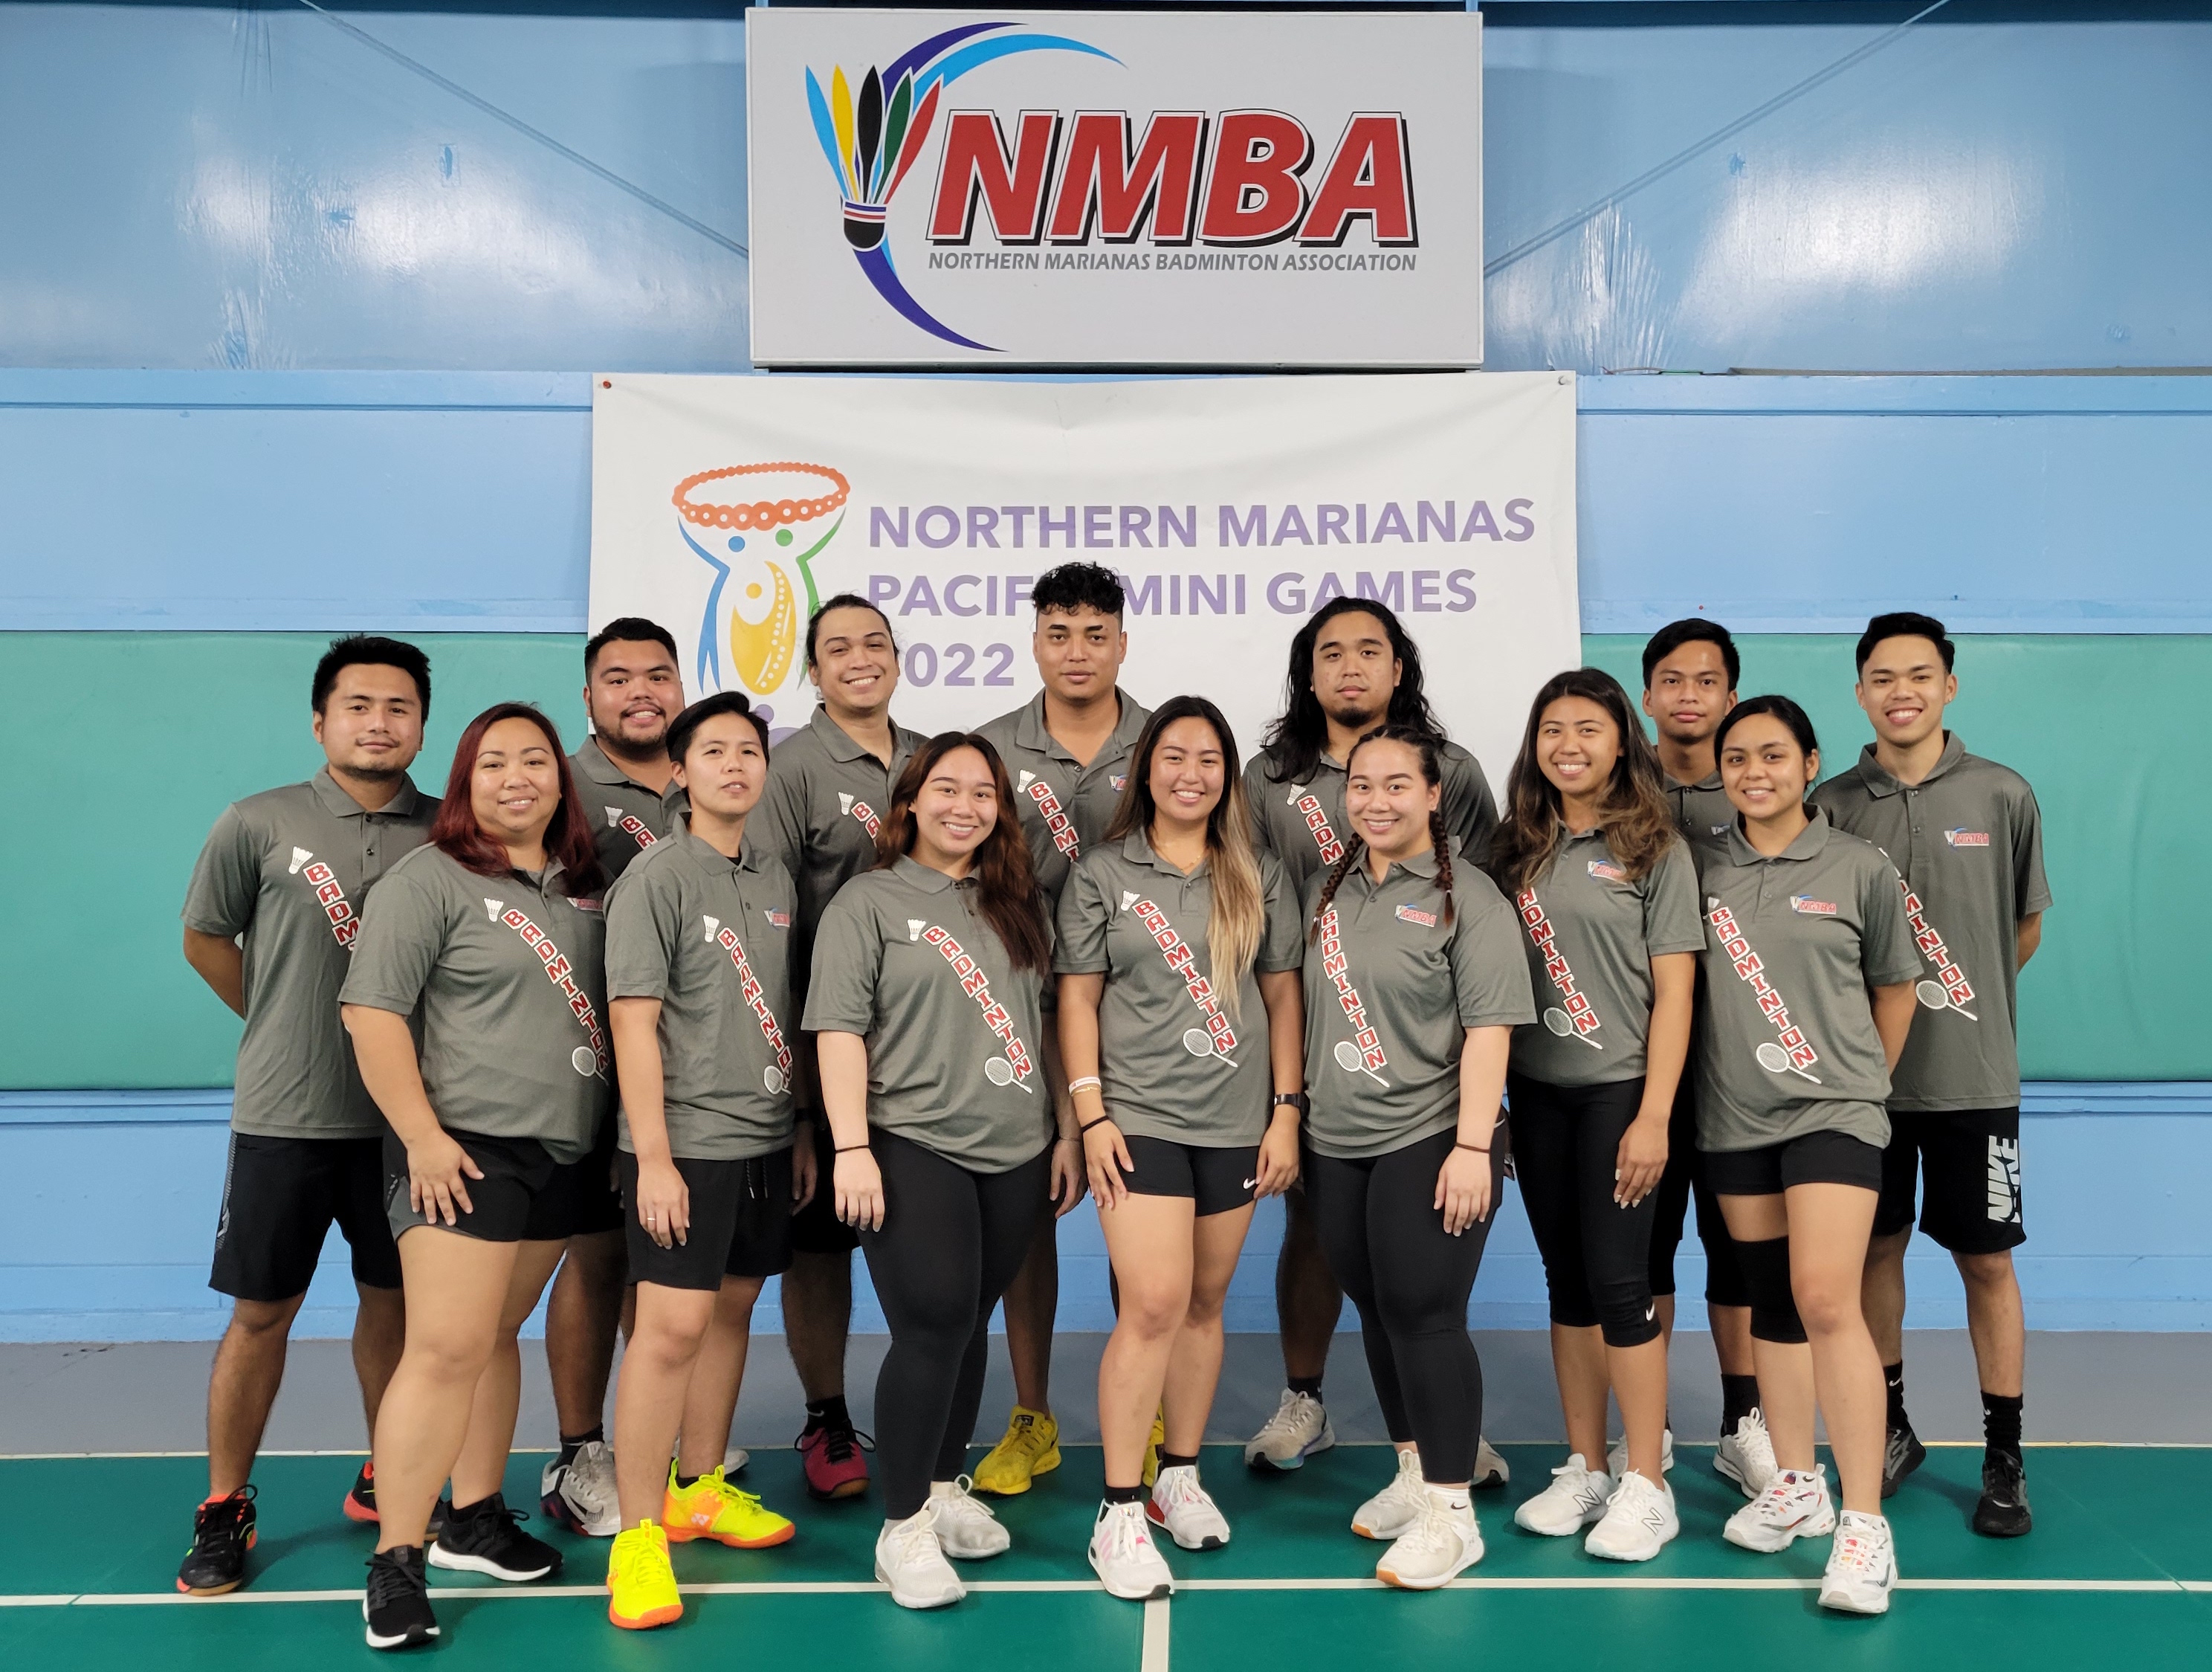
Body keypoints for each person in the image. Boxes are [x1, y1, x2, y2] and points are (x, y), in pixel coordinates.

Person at [340, 703, 612, 1650]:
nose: (516, 777)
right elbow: (372, 1013)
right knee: (446, 1347)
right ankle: (397, 1559)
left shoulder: (585, 886)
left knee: (497, 1333)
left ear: (560, 781)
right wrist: (421, 1136)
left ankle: (475, 1516)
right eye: (493, 762)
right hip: (463, 1147)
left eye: (535, 760)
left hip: (563, 1148)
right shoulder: (428, 878)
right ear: (465, 782)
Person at [175, 636, 437, 1595]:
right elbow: (206, 938)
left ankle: (388, 1470)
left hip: (407, 1127)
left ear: (422, 724)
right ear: (321, 720)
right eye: (358, 704)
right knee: (261, 1313)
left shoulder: (450, 829)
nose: (379, 722)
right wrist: (280, 1019)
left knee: (395, 1305)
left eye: (399, 706)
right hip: (286, 1114)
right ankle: (224, 1504)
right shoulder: (257, 820)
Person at [1240, 598, 1504, 1482]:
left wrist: (1475, 1128)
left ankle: (1443, 1438)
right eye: (1331, 652)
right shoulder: (1268, 778)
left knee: (1421, 1280)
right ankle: (1309, 1398)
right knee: (1315, 1232)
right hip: (1314, 1055)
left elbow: (1476, 910)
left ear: (1399, 666)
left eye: (1369, 650)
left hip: (1422, 1071)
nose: (1350, 666)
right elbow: (1248, 900)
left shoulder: (1453, 773)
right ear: (1308, 672)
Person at [803, 734, 1061, 1610]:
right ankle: (903, 1526)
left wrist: (1063, 1131)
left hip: (1016, 1146)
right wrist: (851, 1146)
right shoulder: (867, 901)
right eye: (946, 787)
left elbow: (1045, 1024)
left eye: (983, 792)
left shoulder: (1016, 902)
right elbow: (838, 1028)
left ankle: (944, 1487)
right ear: (910, 800)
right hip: (911, 1139)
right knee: (933, 1320)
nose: (964, 805)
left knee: (969, 1318)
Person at [1062, 697, 1307, 1601]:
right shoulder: (1102, 870)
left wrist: (1286, 1111)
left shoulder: (1256, 871)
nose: (1190, 773)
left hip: (1236, 1122)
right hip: (1138, 1117)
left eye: (1208, 758)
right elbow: (1078, 997)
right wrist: (1091, 1113)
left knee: (1205, 1302)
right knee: (1154, 1303)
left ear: (1227, 775)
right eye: (1173, 756)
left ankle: (1179, 1475)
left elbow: (1283, 995)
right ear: (1146, 769)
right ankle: (1119, 1510)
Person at [1814, 613, 2048, 1537]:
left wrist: (1962, 1003)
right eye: (1882, 676)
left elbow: (2021, 930)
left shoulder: (2003, 792)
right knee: (1874, 1251)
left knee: (1986, 1259)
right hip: (1861, 1085)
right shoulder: (1831, 803)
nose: (1900, 691)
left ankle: (2004, 1455)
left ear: (1950, 685)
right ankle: (1892, 1426)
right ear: (1860, 692)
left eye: (1919, 674)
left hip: (1974, 1080)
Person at [1696, 697, 1921, 1615]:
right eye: (1738, 758)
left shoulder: (1858, 866)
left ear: (1810, 762)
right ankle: (1798, 1482)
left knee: (1827, 1296)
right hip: (1734, 1117)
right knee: (1771, 1302)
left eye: (1774, 755)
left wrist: (1860, 1084)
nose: (1755, 772)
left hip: (1834, 1111)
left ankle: (1865, 1525)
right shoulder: (1702, 867)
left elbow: (1896, 988)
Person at [1301, 726, 1533, 1589]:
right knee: (1376, 1304)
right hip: (1338, 1141)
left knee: (1425, 1313)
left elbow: (1491, 1029)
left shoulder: (1469, 896)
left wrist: (1473, 1145)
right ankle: (1413, 1468)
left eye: (1398, 784)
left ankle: (1453, 1513)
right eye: (1361, 784)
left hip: (1432, 1134)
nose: (1376, 800)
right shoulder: (1329, 891)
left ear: (1435, 795)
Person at [1485, 671, 1701, 1560]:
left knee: (1620, 1283)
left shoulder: (1655, 847)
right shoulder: (1512, 848)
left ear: (1622, 742)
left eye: (1588, 728)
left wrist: (1654, 1115)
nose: (1568, 744)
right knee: (1567, 1282)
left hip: (1621, 1091)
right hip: (1538, 1093)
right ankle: (1586, 1465)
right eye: (1552, 728)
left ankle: (1648, 1479)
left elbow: (1677, 992)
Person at [601, 693, 805, 1631]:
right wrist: (653, 1157)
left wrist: (799, 1128)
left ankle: (701, 1487)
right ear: (679, 773)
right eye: (713, 751)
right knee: (669, 1330)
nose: (734, 764)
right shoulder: (657, 876)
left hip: (765, 1136)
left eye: (748, 750)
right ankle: (638, 1536)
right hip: (684, 1143)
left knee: (731, 1310)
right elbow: (633, 1022)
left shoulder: (774, 872)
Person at [971, 561, 1151, 1497]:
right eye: (1058, 632)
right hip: (1021, 1011)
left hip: (1142, 1015)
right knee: (1028, 1207)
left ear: (1122, 642)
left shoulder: (1163, 744)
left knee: (1141, 1211)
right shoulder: (992, 750)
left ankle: (1149, 1415)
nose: (1076, 650)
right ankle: (1033, 1414)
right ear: (1035, 641)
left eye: (1094, 633)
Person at [753, 595, 924, 1500]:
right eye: (839, 648)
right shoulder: (790, 770)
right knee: (820, 1247)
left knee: (924, 1242)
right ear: (813, 671)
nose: (861, 658)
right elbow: (770, 933)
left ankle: (928, 1416)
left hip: (928, 1055)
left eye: (876, 643)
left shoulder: (933, 760)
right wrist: (799, 1105)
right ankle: (827, 1415)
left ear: (897, 656)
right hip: (829, 1051)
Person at [541, 617, 690, 1537]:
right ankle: (581, 1447)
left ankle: (653, 1436)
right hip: (591, 1054)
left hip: (699, 1063)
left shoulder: (712, 775)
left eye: (658, 674)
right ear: (589, 696)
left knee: (662, 1251)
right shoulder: (557, 785)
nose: (641, 691)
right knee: (597, 1253)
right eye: (619, 676)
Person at [1638, 620, 1767, 1494]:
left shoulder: (1761, 789)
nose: (1689, 694)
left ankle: (1741, 1420)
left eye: (1707, 680)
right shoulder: (1615, 787)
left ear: (1730, 695)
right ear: (1647, 694)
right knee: (1643, 1253)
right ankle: (1646, 1427)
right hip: (1637, 1070)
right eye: (1673, 680)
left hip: (1738, 1071)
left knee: (1737, 1251)